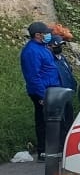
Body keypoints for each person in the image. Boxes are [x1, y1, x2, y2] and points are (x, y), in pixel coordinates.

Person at [20, 21, 62, 161]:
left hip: (50, 88)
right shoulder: (31, 51)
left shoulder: (42, 47)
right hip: (42, 91)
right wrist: (42, 95)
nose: (49, 35)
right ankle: (43, 151)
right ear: (38, 35)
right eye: (46, 33)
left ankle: (52, 148)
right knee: (43, 121)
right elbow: (33, 76)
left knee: (51, 121)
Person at [49, 25, 78, 131]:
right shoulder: (49, 61)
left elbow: (69, 73)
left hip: (67, 93)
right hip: (56, 95)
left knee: (69, 119)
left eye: (61, 45)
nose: (59, 47)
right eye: (56, 45)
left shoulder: (62, 58)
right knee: (59, 124)